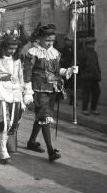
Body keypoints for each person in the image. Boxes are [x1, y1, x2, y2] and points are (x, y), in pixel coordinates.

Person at [24, 23, 76, 162]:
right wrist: (27, 91)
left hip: (53, 89)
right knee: (45, 117)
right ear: (40, 39)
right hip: (39, 89)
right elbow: (27, 73)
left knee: (42, 117)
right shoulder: (32, 53)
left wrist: (68, 71)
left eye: (52, 40)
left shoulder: (55, 53)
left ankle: (31, 142)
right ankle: (50, 150)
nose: (50, 43)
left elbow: (56, 70)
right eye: (47, 40)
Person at [0, 32, 25, 164]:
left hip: (16, 93)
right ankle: (2, 149)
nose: (12, 51)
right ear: (4, 47)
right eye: (10, 48)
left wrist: (24, 94)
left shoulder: (17, 60)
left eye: (14, 48)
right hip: (1, 91)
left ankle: (3, 145)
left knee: (13, 122)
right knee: (4, 121)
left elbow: (20, 77)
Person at [78, 37, 101, 116]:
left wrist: (99, 73)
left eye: (93, 43)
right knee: (86, 93)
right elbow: (79, 65)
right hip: (86, 76)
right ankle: (85, 109)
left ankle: (93, 108)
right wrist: (83, 73)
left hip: (94, 76)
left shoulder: (94, 53)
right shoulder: (82, 52)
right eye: (91, 43)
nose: (92, 45)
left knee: (97, 92)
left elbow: (96, 64)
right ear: (87, 44)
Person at [59, 36, 74, 106]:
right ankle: (60, 98)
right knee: (63, 84)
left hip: (72, 70)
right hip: (64, 70)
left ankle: (72, 100)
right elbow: (59, 59)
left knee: (72, 86)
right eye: (68, 40)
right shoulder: (61, 50)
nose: (70, 42)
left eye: (71, 41)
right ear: (65, 41)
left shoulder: (74, 50)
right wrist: (64, 62)